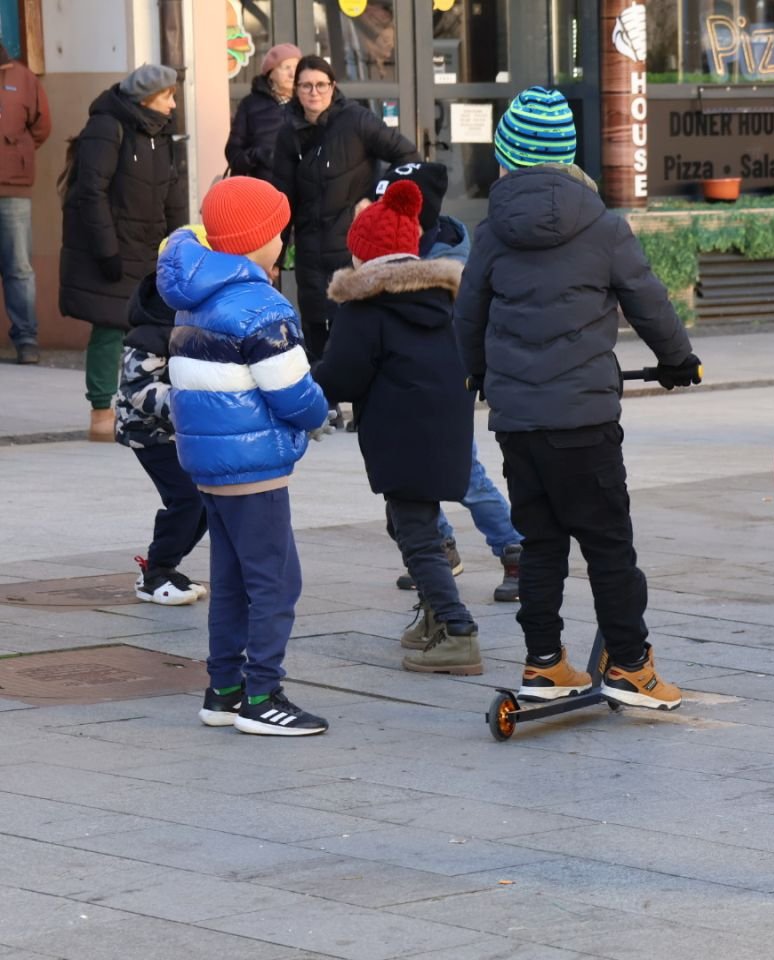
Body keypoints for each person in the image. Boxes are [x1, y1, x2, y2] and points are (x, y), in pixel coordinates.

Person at [454, 87, 702, 710]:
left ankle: (544, 663)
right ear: (567, 153)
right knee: (609, 544)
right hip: (585, 419)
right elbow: (649, 301)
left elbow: (469, 319)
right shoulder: (602, 225)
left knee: (540, 543)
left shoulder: (491, 231)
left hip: (518, 423)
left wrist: (475, 376)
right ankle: (632, 666)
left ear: (507, 151)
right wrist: (678, 360)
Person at [159, 176, 332, 736]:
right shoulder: (259, 304)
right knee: (277, 581)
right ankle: (263, 695)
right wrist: (319, 413)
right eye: (277, 231)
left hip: (210, 465)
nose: (282, 241)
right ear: (258, 239)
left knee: (232, 581)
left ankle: (224, 689)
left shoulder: (195, 299)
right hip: (253, 464)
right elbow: (290, 389)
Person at [313, 180, 482, 675]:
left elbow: (342, 373)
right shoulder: (445, 299)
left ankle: (456, 629)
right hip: (446, 427)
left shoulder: (365, 308)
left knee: (415, 530)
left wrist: (302, 392)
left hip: (400, 431)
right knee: (409, 522)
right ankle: (434, 615)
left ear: (364, 254)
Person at [367, 161, 524, 602]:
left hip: (441, 389)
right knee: (408, 477)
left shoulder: (448, 264)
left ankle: (514, 549)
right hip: (397, 391)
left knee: (465, 473)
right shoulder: (389, 251)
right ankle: (438, 549)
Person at [271, 55, 417, 392]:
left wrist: (377, 199)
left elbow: (407, 156)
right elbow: (283, 196)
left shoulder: (357, 120)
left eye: (321, 85)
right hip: (309, 240)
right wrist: (275, 256)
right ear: (296, 90)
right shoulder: (287, 130)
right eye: (306, 85)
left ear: (333, 87)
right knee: (313, 319)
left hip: (355, 242)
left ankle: (364, 395)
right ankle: (326, 400)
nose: (313, 92)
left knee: (353, 318)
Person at [59, 64, 186, 442]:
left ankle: (142, 408)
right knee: (110, 327)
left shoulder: (161, 134)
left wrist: (177, 244)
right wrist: (106, 249)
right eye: (168, 96)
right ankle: (101, 411)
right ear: (147, 97)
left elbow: (173, 195)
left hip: (148, 248)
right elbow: (90, 191)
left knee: (153, 328)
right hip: (112, 248)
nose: (173, 104)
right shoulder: (107, 126)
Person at [115, 255, 208, 606]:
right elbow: (140, 390)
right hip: (149, 434)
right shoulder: (147, 337)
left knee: (203, 501)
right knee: (186, 498)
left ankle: (165, 567)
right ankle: (155, 572)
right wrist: (189, 403)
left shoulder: (188, 332)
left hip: (179, 433)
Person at [0, 45, 50, 365]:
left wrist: (17, 155)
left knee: (18, 267)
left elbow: (42, 127)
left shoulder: (24, 78)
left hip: (12, 188)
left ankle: (26, 338)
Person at [224, 42, 301, 183]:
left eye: (296, 67)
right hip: (262, 190)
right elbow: (233, 152)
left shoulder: (307, 101)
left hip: (301, 190)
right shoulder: (250, 105)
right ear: (270, 74)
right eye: (286, 67)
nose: (292, 74)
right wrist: (257, 155)